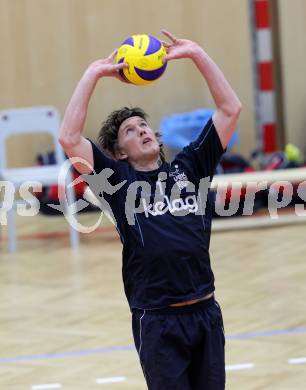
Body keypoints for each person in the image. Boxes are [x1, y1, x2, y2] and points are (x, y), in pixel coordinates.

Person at [59, 30, 241, 390]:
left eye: (144, 125)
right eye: (130, 130)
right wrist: (92, 75)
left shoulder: (190, 167)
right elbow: (69, 138)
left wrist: (197, 54)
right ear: (119, 152)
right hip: (157, 321)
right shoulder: (117, 181)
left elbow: (230, 109)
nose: (142, 130)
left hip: (205, 311)